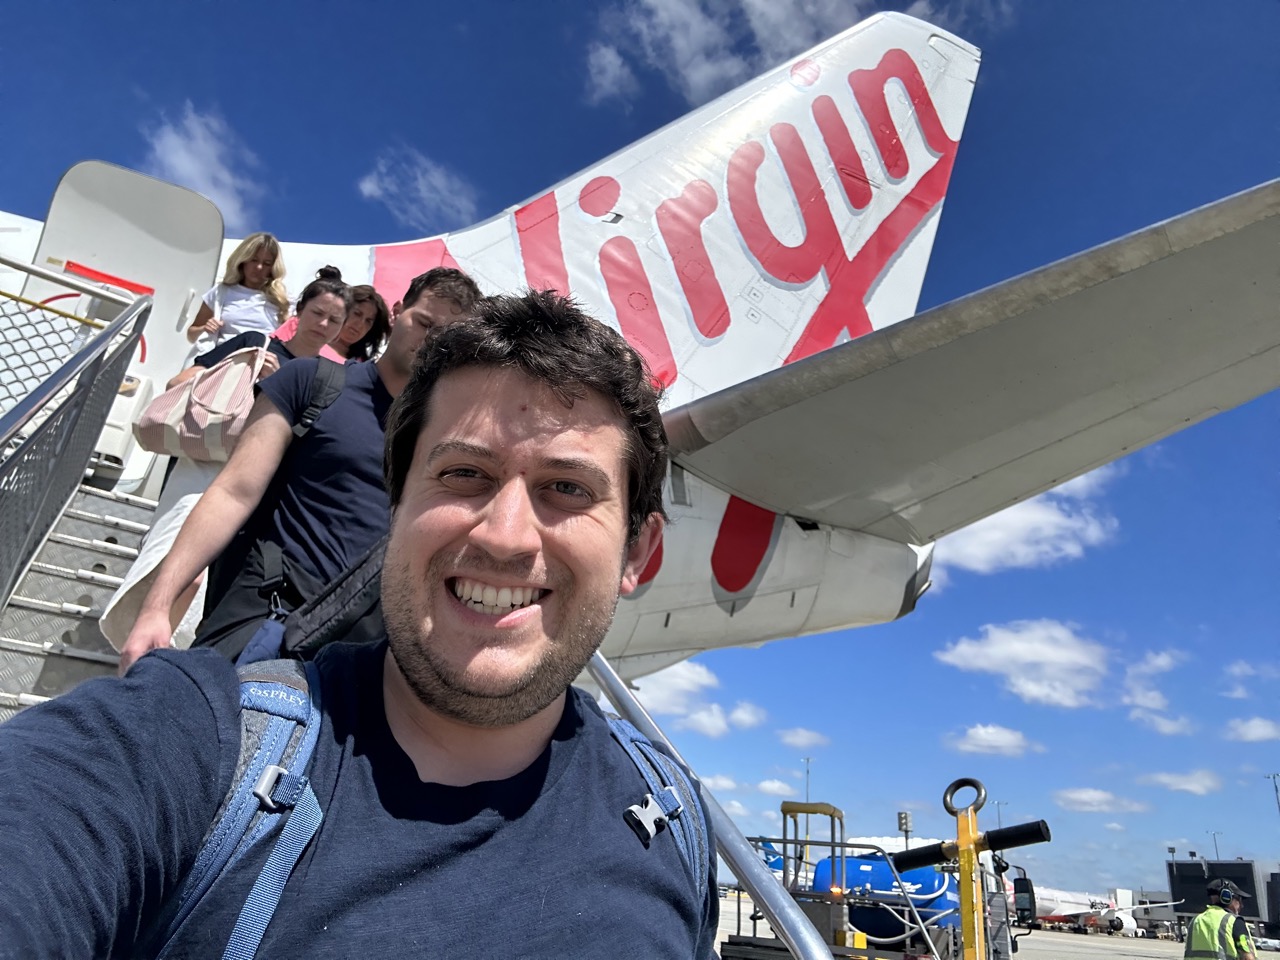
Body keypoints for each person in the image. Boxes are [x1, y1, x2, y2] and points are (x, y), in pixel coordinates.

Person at [0, 290, 716, 959]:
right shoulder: (189, 744)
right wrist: (161, 604)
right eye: (464, 474)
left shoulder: (674, 824)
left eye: (567, 488)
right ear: (395, 506)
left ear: (637, 551)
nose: (505, 536)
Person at [120, 267, 482, 667]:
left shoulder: (450, 436)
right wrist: (157, 606)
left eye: (446, 335)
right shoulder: (310, 381)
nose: (431, 341)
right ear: (397, 312)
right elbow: (233, 490)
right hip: (267, 613)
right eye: (424, 322)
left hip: (363, 650)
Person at [99, 268, 352, 651]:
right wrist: (245, 373)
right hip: (204, 467)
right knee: (183, 568)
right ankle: (138, 652)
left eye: (335, 319)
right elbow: (178, 383)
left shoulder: (325, 382)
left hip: (258, 487)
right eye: (318, 312)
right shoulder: (255, 344)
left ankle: (155, 659)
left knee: (208, 585)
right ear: (299, 311)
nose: (324, 323)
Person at [186, 232, 290, 345]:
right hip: (222, 358)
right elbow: (191, 335)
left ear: (273, 267)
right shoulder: (220, 292)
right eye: (254, 260)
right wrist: (205, 328)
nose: (259, 267)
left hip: (262, 358)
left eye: (267, 263)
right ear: (243, 260)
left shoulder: (282, 300)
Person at [272, 283, 390, 362]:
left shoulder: (362, 367)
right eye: (357, 314)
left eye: (368, 321)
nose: (360, 324)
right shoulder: (297, 325)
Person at [1184, 879, 1255, 960]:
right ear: (1227, 897)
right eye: (1239, 900)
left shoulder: (1195, 921)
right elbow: (1247, 956)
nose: (1241, 905)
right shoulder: (1233, 921)